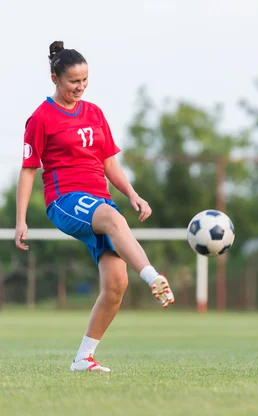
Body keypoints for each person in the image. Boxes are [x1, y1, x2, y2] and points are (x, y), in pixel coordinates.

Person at [14, 41, 175, 373]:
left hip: (98, 200)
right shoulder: (41, 118)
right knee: (113, 219)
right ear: (55, 78)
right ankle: (154, 276)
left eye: (85, 80)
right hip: (65, 200)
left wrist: (133, 194)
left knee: (116, 284)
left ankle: (83, 358)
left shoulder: (94, 112)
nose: (80, 87)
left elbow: (108, 163)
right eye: (73, 80)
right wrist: (20, 220)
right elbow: (29, 169)